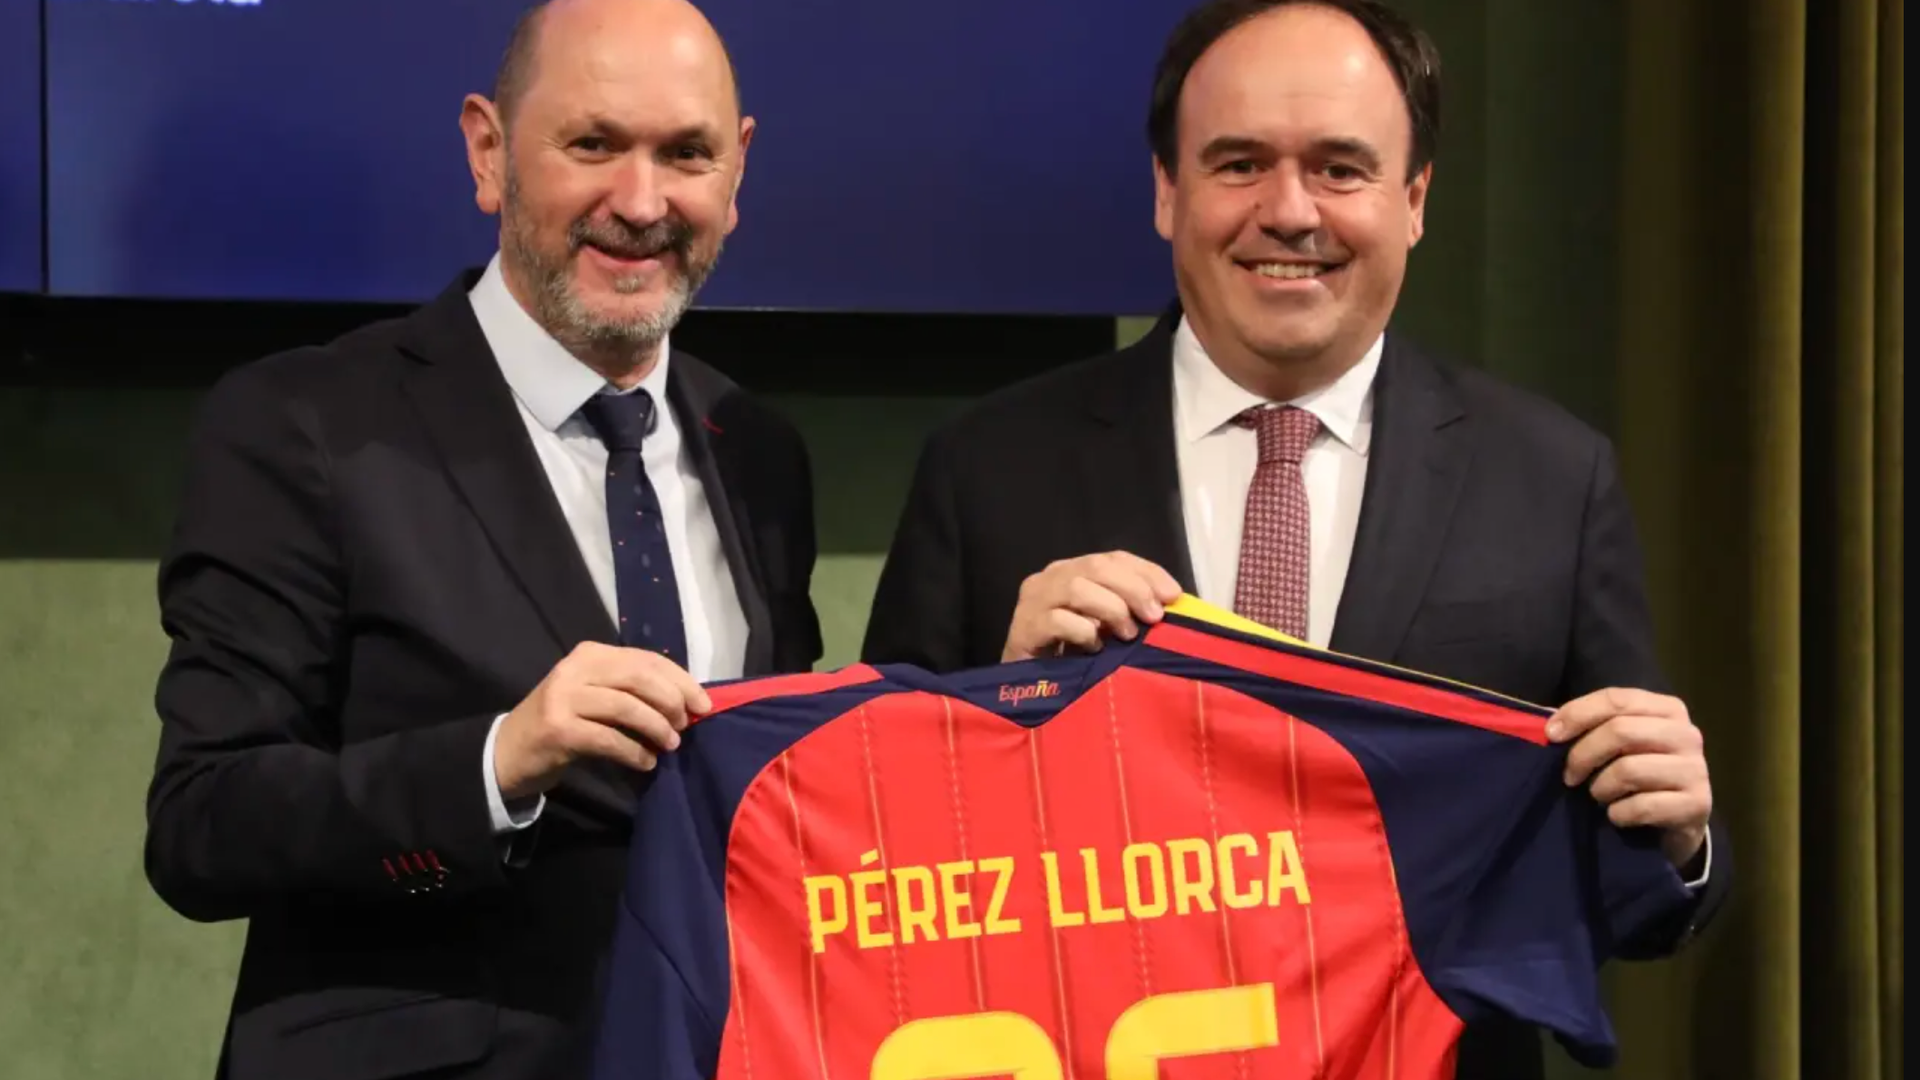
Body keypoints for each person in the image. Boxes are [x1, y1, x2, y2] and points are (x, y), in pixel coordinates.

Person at [860, 1, 1727, 1076]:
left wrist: (1682, 840)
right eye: (1238, 165)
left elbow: (1638, 891)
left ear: (1414, 200)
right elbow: (875, 856)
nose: (1288, 212)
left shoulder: (1552, 478)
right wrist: (995, 709)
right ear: (1166, 192)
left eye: (1339, 169)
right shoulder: (988, 468)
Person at [142, 1, 821, 1077]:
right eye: (592, 143)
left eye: (685, 154)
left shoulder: (760, 451)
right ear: (489, 152)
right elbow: (201, 825)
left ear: (736, 171)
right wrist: (497, 764)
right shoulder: (303, 424)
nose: (641, 202)